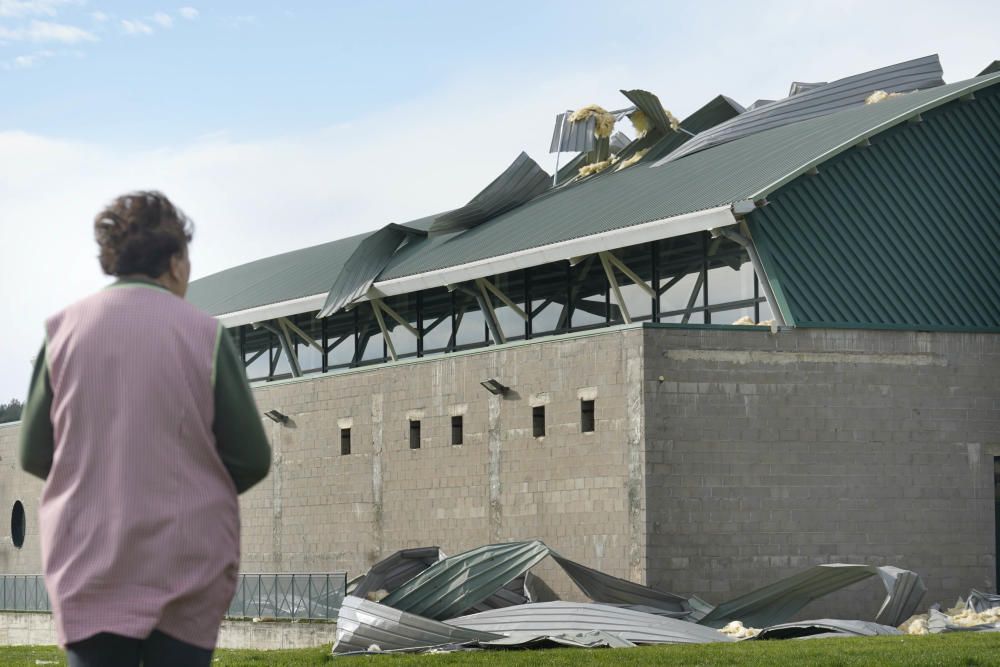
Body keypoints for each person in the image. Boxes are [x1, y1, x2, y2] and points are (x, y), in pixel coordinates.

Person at [18, 191, 272, 667]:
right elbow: (252, 459)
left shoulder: (61, 333)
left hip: (89, 565)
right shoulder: (205, 335)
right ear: (174, 262)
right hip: (187, 565)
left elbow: (33, 453)